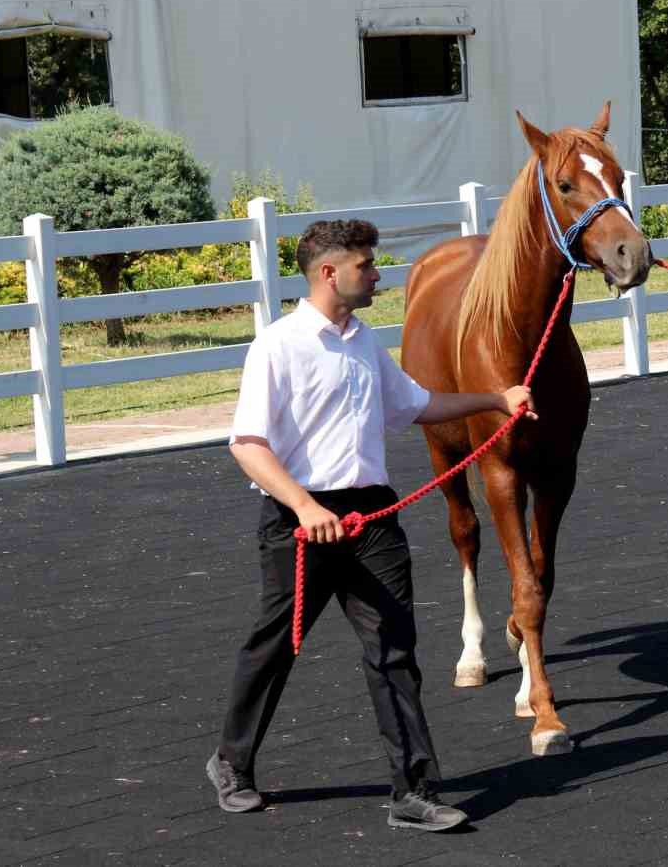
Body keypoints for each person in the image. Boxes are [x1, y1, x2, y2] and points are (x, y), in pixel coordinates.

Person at [206, 219, 535, 831]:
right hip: (299, 522)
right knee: (274, 647)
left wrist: (496, 398)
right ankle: (232, 762)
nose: (378, 274)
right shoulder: (277, 346)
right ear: (330, 273)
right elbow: (247, 444)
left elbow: (417, 405)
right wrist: (306, 507)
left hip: (372, 519)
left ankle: (414, 792)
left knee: (394, 653)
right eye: (366, 265)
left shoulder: (363, 342)